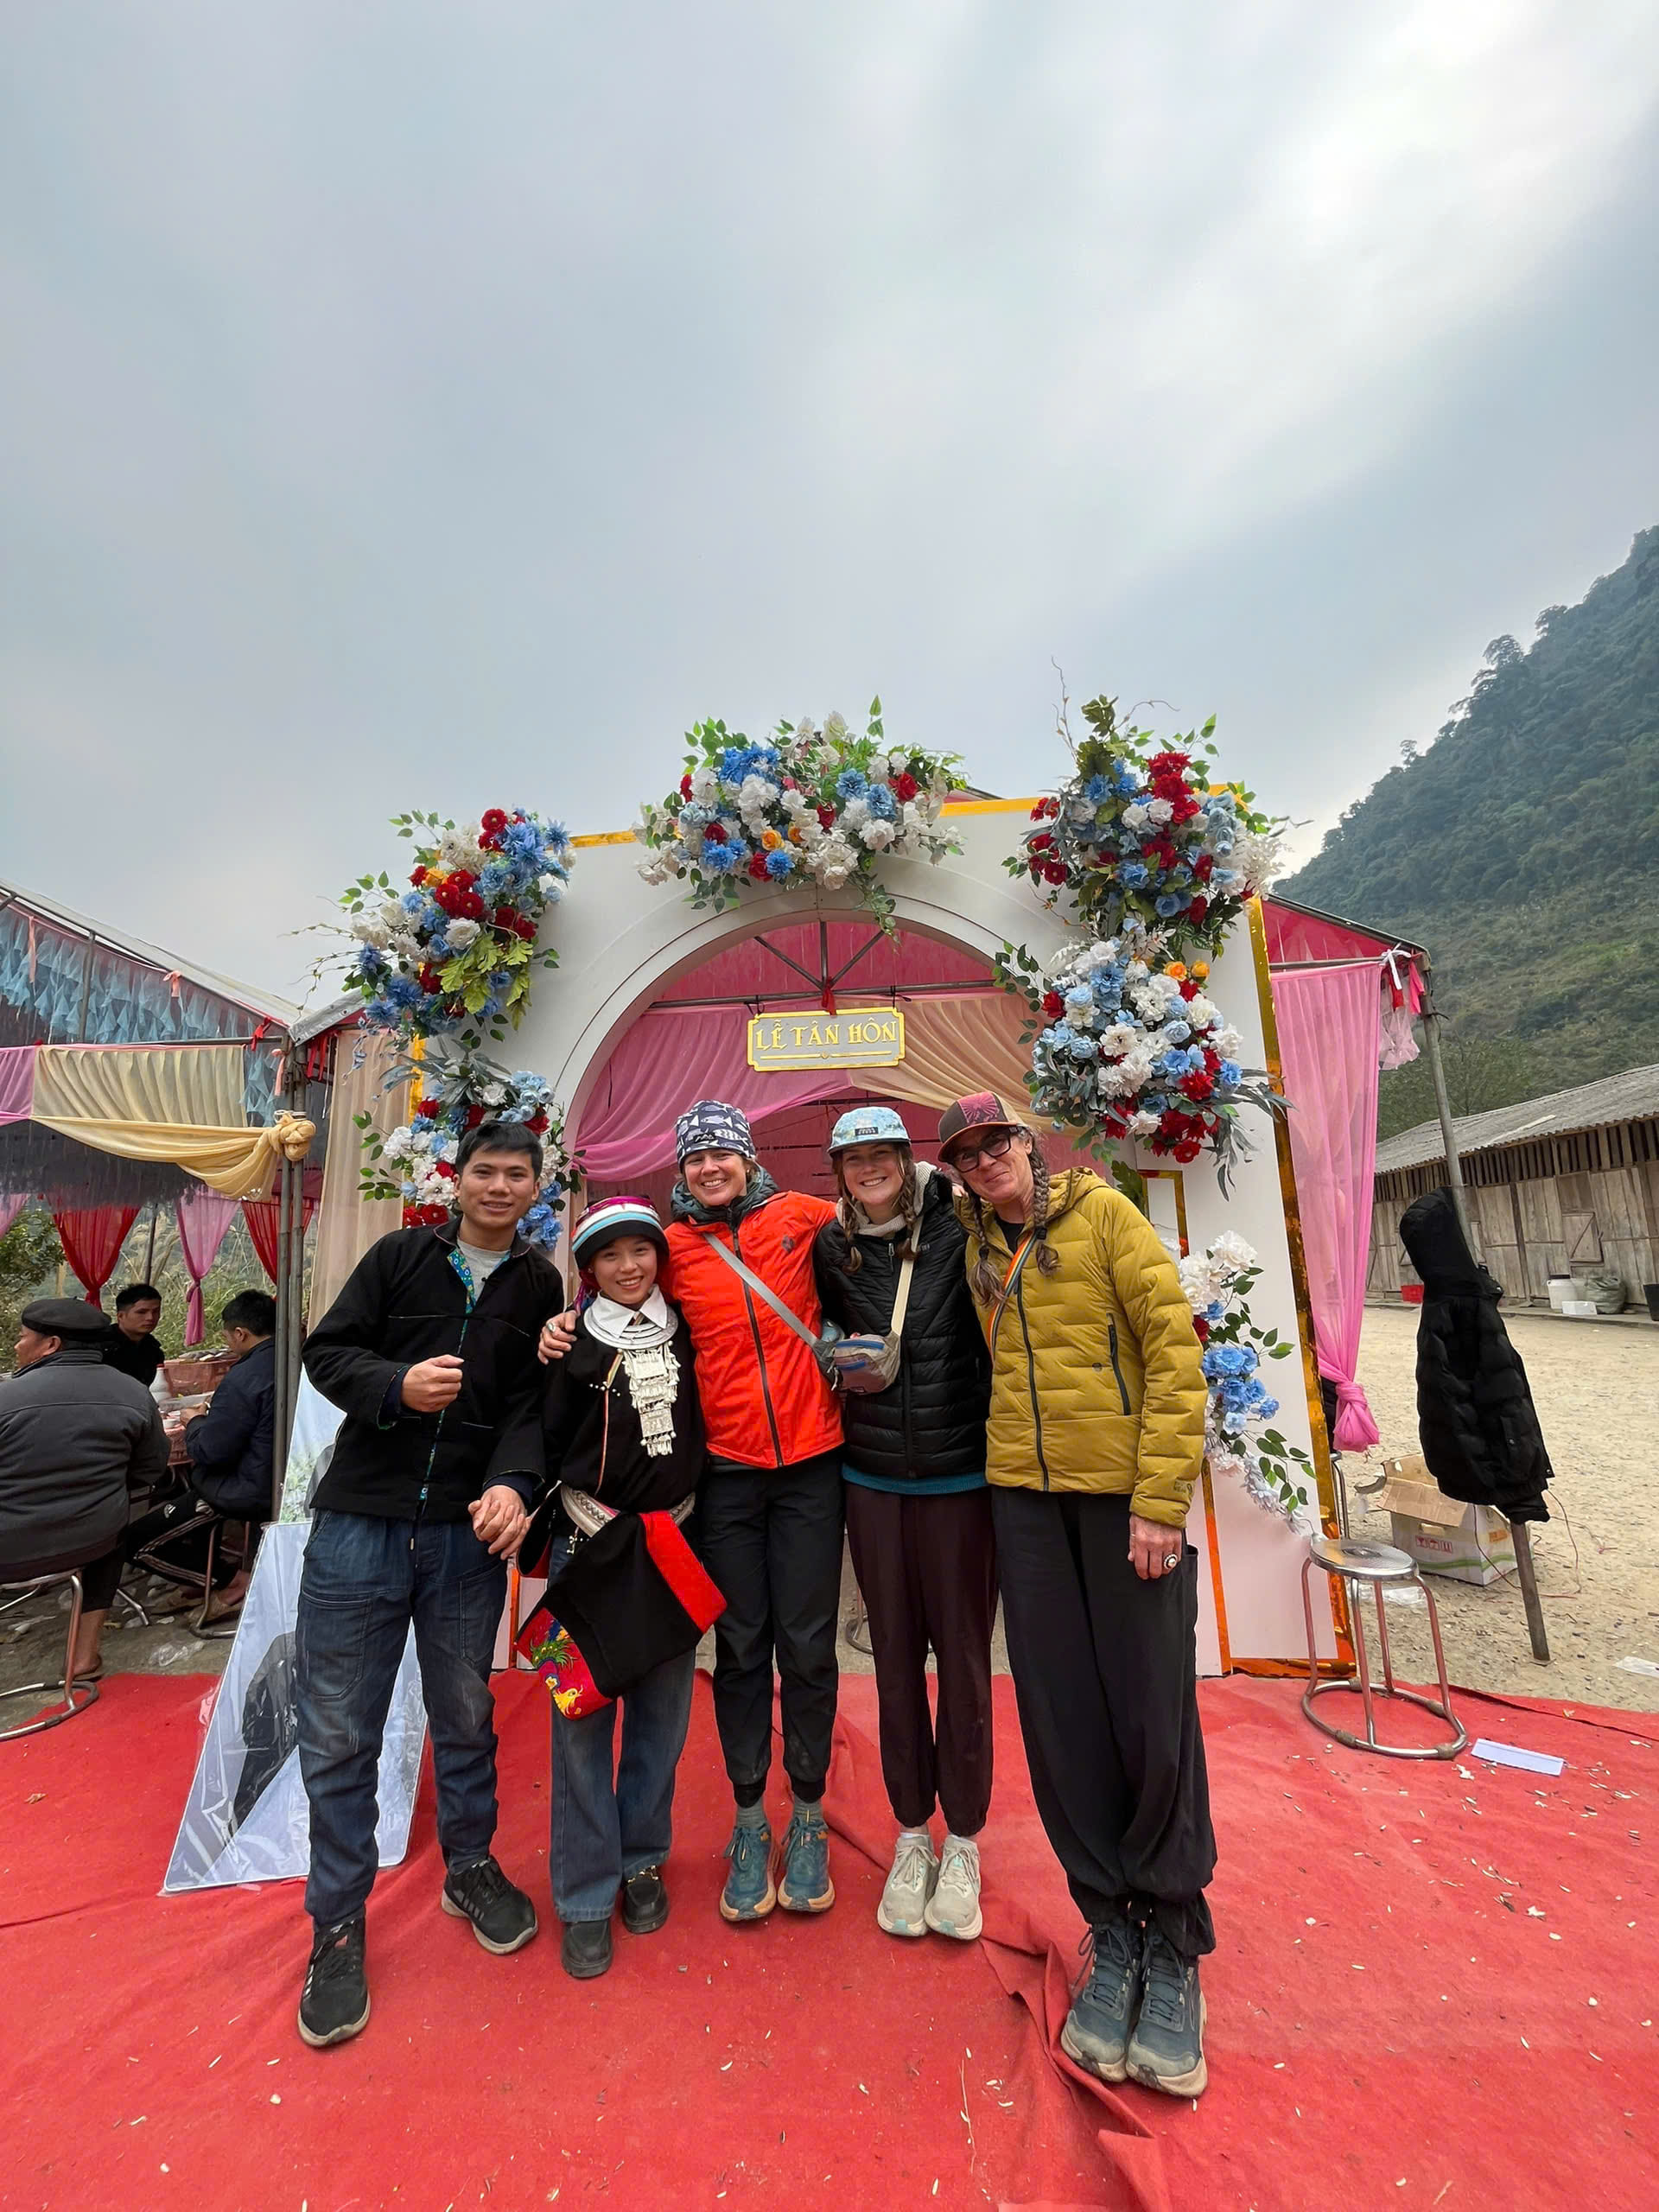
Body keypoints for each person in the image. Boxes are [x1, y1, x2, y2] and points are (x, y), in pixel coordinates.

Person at [937, 1090, 1214, 2100]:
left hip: (1122, 1505)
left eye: (997, 1143)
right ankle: (1110, 1923)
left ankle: (1172, 1939)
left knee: (1150, 1712)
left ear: (1028, 1142)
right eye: (966, 1155)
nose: (985, 1162)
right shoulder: (973, 1242)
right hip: (1024, 1502)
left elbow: (1174, 1354)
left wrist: (1159, 1502)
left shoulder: (1105, 1217)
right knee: (1061, 1717)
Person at [292, 1120, 563, 2050]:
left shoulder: (538, 1285)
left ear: (535, 1187)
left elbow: (530, 1407)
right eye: (485, 1170)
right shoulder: (400, 1256)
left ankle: (470, 1864)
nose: (499, 1186)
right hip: (359, 1523)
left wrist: (513, 1483)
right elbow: (327, 1351)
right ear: (458, 1179)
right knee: (339, 1730)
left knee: (465, 1714)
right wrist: (395, 1384)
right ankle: (337, 1921)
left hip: (462, 1534)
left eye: (516, 1173)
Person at [542, 1100, 843, 1924]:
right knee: (738, 1647)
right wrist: (561, 1325)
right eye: (695, 1158)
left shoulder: (803, 1217)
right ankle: (748, 1819)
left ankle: (807, 1813)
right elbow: (616, 1293)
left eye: (722, 1154)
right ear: (680, 1171)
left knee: (807, 1646)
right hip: (724, 1482)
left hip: (812, 1465)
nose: (710, 1168)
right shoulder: (670, 1250)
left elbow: (878, 1225)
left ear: (748, 1158)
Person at [811, 1105, 996, 1943]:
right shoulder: (833, 1245)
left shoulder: (962, 1223)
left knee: (963, 1661)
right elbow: (814, 1317)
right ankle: (912, 1833)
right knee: (892, 1665)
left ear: (904, 1157)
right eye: (854, 1160)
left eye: (881, 1154)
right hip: (873, 1480)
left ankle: (964, 1841)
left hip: (963, 1478)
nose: (869, 1169)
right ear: (840, 1172)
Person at [525, 1197, 708, 1981]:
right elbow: (542, 1434)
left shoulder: (690, 1331)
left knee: (663, 1721)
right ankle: (584, 1896)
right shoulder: (566, 1342)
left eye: (641, 1251)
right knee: (579, 1723)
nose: (628, 1267)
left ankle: (643, 1859)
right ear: (588, 1270)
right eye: (609, 1256)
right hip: (585, 1545)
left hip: (673, 1548)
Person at [1, 1297, 169, 1681]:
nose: (17, 1345)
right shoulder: (134, 1393)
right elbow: (150, 1469)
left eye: (22, 1336)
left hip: (9, 1552)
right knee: (112, 1530)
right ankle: (83, 1657)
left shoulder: (6, 1399)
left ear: (51, 1344)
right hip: (91, 1542)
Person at [126, 1289, 277, 1616]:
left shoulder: (245, 1377)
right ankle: (202, 1579)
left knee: (135, 1542)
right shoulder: (293, 1360)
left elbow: (212, 1451)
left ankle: (232, 1581)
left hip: (246, 1488)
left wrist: (194, 1421)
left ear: (241, 1333)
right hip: (275, 1478)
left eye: (227, 1336)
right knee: (184, 1495)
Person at [104, 1283, 166, 1389]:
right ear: (121, 1316)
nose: (150, 1318)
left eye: (155, 1311)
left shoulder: (153, 1349)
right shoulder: (102, 1346)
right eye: (141, 1312)